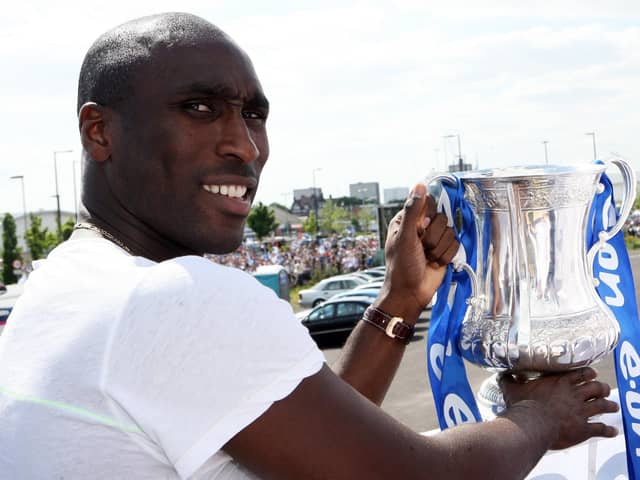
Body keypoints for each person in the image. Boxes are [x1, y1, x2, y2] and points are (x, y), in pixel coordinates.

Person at [0, 12, 619, 479]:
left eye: (253, 115)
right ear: (98, 130)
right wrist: (541, 418)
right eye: (199, 108)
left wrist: (400, 300)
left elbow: (312, 436)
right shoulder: (169, 300)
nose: (244, 145)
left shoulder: (61, 287)